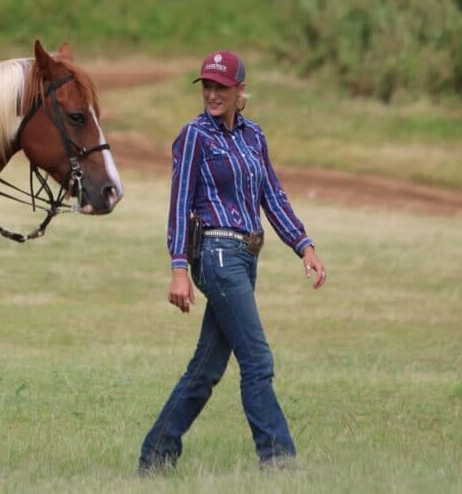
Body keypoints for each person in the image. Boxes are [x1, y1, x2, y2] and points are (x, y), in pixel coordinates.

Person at [138, 50, 326, 473]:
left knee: (207, 368)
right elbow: (180, 203)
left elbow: (272, 196)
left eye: (221, 86)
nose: (212, 94)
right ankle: (277, 459)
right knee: (258, 361)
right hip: (217, 256)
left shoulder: (254, 136)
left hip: (247, 256)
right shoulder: (194, 137)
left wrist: (305, 246)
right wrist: (179, 267)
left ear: (240, 90)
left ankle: (156, 454)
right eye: (206, 85)